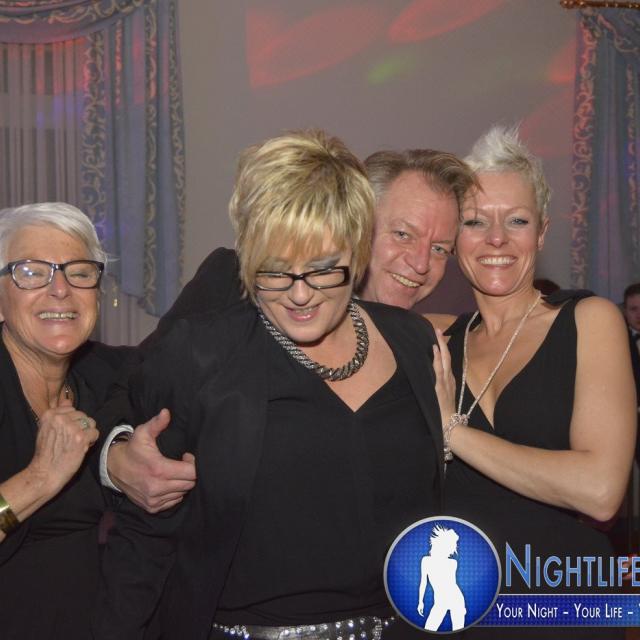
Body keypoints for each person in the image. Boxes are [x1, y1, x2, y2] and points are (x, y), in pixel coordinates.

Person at [93, 130, 445, 640]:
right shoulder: (204, 351)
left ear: (358, 251)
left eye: (323, 269)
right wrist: (115, 456)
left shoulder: (413, 342)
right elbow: (145, 536)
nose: (299, 295)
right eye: (275, 270)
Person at [102, 147, 476, 515]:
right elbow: (134, 383)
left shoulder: (420, 349)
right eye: (403, 234)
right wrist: (116, 460)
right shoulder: (233, 285)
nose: (421, 263)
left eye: (440, 249)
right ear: (359, 224)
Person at [431, 125, 635, 638]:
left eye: (517, 220)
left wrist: (454, 433)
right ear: (454, 239)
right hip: (469, 609)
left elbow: (601, 491)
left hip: (569, 602)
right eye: (475, 221)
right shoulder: (438, 345)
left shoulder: (588, 320)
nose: (497, 238)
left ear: (541, 233)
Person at [0, 202, 134, 639]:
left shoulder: (108, 376)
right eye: (31, 272)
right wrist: (40, 478)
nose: (60, 289)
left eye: (79, 272)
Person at [623, 283, 640, 463]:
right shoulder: (615, 339)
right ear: (625, 311)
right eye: (633, 309)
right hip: (626, 422)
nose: (639, 315)